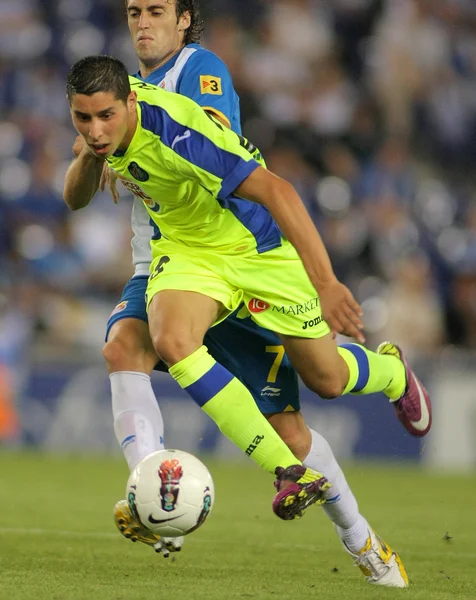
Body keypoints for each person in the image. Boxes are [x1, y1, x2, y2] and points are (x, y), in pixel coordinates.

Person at [63, 55, 435, 588]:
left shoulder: (179, 134)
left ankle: (392, 374)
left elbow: (279, 191)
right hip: (192, 254)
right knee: (170, 337)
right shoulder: (99, 120)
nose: (95, 129)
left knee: (326, 379)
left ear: (131, 103)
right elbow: (74, 197)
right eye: (83, 118)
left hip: (257, 248)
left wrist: (327, 283)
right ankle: (285, 472)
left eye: (105, 117)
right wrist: (90, 156)